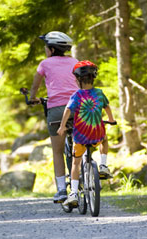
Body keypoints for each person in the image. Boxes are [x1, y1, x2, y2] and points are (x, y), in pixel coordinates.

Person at [57, 60, 116, 206]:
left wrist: (62, 126)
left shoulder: (76, 95)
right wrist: (111, 119)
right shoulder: (99, 93)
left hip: (81, 137)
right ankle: (103, 166)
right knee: (105, 139)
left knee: (76, 164)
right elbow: (107, 107)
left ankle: (74, 193)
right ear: (93, 78)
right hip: (97, 135)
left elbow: (68, 110)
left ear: (77, 80)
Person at [29, 31, 79, 203]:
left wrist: (32, 98)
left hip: (57, 110)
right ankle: (86, 173)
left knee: (57, 152)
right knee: (81, 146)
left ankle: (61, 191)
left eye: (46, 47)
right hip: (79, 108)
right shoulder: (75, 62)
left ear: (51, 49)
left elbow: (35, 85)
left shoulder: (44, 64)